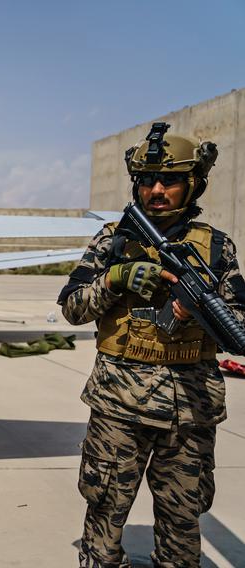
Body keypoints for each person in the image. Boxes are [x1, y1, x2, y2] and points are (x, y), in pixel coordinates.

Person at [58, 122, 245, 567]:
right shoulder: (112, 239)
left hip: (191, 411)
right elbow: (71, 307)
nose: (157, 190)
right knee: (104, 511)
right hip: (118, 405)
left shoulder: (217, 249)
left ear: (193, 184)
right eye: (147, 181)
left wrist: (199, 309)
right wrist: (113, 280)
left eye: (171, 180)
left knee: (183, 524)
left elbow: (240, 326)